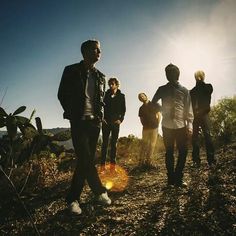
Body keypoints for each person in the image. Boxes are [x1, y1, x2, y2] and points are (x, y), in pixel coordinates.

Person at [58, 39, 111, 215]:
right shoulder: (71, 70)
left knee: (85, 160)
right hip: (78, 121)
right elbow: (61, 94)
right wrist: (71, 112)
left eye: (100, 50)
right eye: (96, 49)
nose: (99, 53)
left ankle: (74, 199)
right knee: (86, 158)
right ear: (86, 51)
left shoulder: (101, 76)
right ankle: (94, 193)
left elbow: (101, 101)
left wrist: (100, 116)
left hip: (94, 123)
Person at [152, 63, 193, 187]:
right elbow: (153, 102)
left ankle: (178, 178)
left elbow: (188, 108)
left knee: (183, 151)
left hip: (181, 125)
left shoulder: (185, 90)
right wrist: (162, 109)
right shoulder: (161, 89)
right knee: (169, 152)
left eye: (170, 73)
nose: (168, 75)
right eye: (167, 73)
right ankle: (170, 180)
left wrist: (189, 124)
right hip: (167, 125)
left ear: (176, 74)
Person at [190, 70, 215, 167]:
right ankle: (196, 161)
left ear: (203, 76)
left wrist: (200, 81)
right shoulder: (192, 91)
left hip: (204, 114)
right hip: (194, 116)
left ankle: (211, 160)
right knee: (194, 138)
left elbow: (207, 91)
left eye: (200, 75)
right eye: (196, 75)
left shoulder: (208, 86)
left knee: (208, 136)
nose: (198, 76)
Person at [100, 78, 126, 171]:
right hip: (106, 122)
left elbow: (123, 110)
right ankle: (102, 167)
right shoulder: (105, 95)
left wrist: (120, 120)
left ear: (117, 85)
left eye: (113, 84)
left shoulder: (122, 96)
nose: (111, 85)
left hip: (116, 123)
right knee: (105, 144)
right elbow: (101, 107)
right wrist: (102, 118)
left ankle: (112, 167)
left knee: (113, 144)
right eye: (109, 84)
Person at [138, 92, 161, 167]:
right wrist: (144, 125)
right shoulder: (141, 108)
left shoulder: (154, 104)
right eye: (140, 97)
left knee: (152, 145)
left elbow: (159, 115)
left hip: (154, 127)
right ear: (140, 100)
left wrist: (157, 124)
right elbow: (141, 119)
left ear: (146, 96)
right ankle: (141, 162)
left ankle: (149, 161)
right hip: (145, 129)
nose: (141, 97)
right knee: (144, 144)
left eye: (142, 96)